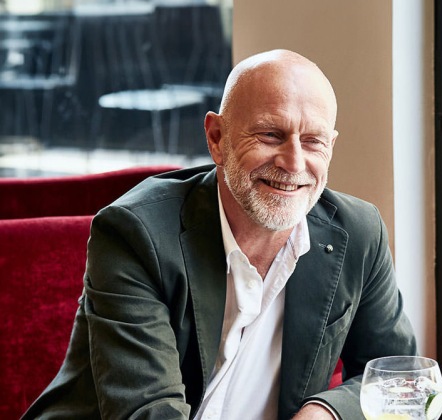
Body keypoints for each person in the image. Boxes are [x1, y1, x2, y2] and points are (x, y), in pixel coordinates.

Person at [23, 49, 417, 419]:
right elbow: (149, 413)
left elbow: (399, 376)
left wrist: (325, 412)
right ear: (216, 138)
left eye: (312, 141)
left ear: (330, 146)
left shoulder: (358, 232)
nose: (294, 162)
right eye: (270, 135)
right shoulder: (136, 233)